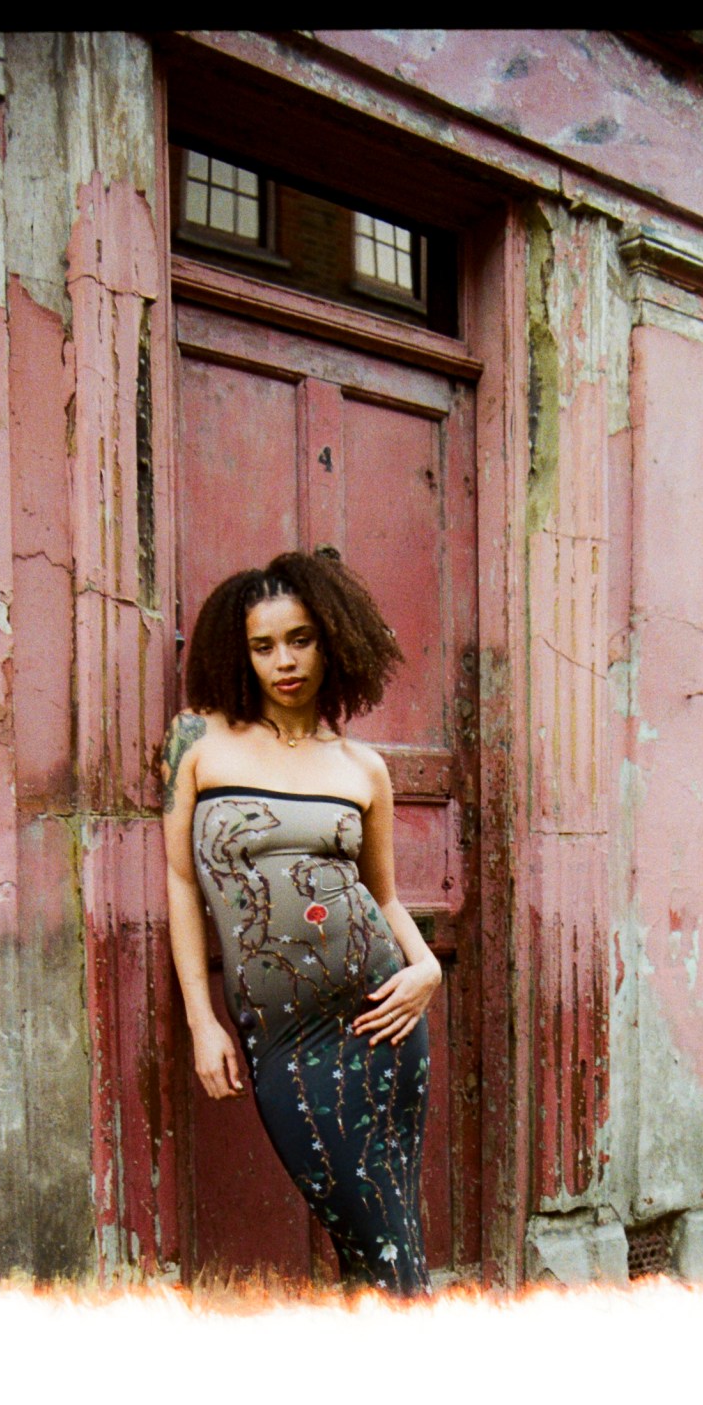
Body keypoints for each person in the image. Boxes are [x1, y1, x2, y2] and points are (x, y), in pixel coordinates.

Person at [161, 550, 441, 1298]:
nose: (283, 662)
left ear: (333, 642)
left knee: (390, 1231)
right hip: (282, 1034)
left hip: (382, 1016)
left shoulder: (362, 767)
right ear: (240, 652)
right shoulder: (199, 742)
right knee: (362, 1224)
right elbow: (183, 881)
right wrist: (202, 1019)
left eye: (301, 639)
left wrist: (428, 969)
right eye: (263, 645)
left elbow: (382, 897)